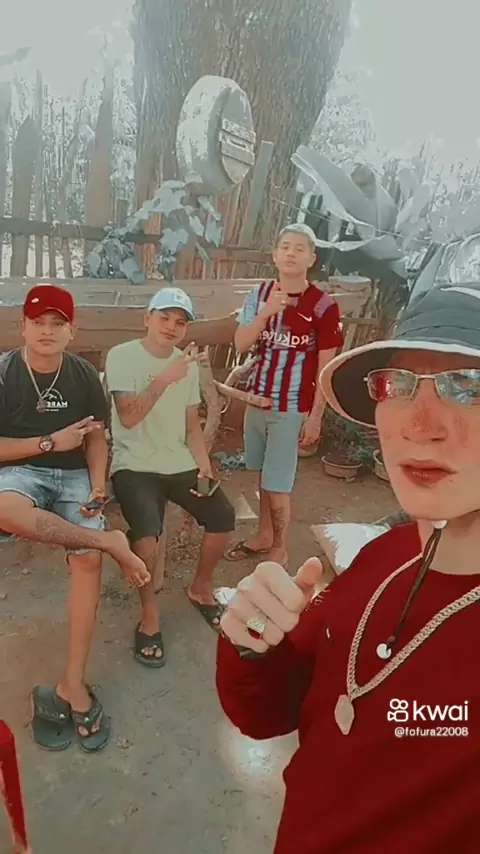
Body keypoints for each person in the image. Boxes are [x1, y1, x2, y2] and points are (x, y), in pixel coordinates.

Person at [216, 280, 480, 853]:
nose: (420, 424)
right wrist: (252, 643)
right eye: (398, 385)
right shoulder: (383, 555)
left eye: (468, 386)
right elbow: (268, 713)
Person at [0, 284, 150, 753]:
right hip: (20, 473)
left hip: (73, 478)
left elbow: (97, 436)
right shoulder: (4, 373)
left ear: (72, 330)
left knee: (86, 563)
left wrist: (99, 486)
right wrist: (48, 443)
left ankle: (73, 684)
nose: (47, 331)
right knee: (4, 509)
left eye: (57, 323)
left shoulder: (83, 374)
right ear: (22, 327)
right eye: (38, 322)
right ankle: (109, 541)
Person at [105, 286, 235, 668]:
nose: (171, 326)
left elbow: (191, 423)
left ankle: (200, 589)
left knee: (222, 516)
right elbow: (129, 417)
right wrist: (164, 378)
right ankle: (149, 615)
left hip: (178, 462)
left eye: (180, 322)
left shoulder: (186, 365)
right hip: (133, 464)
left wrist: (203, 463)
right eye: (164, 317)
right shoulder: (122, 356)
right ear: (147, 318)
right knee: (147, 535)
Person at [225, 223, 343, 566]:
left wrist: (316, 416)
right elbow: (240, 343)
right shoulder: (259, 294)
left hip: (291, 407)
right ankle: (264, 536)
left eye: (299, 248)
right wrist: (266, 313)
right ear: (274, 255)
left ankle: (279, 549)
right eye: (285, 247)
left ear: (311, 259)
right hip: (256, 401)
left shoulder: (323, 306)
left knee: (278, 484)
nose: (291, 253)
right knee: (262, 474)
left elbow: (326, 368)